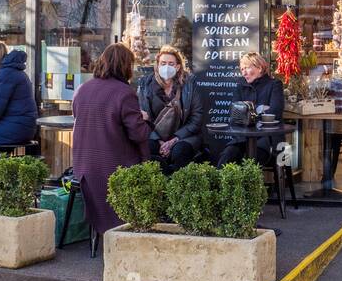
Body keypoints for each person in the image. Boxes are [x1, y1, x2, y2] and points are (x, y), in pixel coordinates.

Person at [72, 42, 151, 247]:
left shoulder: (83, 89)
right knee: (157, 167)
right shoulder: (124, 93)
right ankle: (139, 230)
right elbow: (138, 133)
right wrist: (145, 118)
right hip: (114, 167)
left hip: (84, 169)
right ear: (125, 66)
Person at [137, 44, 203, 174]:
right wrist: (160, 141)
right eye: (163, 63)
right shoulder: (145, 84)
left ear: (178, 67)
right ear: (157, 65)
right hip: (154, 136)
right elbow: (142, 118)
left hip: (184, 136)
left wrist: (174, 140)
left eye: (171, 63)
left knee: (180, 151)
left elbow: (197, 118)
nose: (166, 67)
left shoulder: (190, 84)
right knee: (148, 149)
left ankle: (178, 189)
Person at [210, 52, 284, 167]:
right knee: (226, 158)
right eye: (242, 69)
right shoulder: (240, 85)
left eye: (247, 68)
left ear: (259, 68)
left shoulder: (274, 84)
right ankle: (219, 186)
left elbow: (275, 113)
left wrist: (247, 113)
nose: (243, 72)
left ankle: (248, 185)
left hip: (267, 139)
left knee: (251, 162)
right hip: (242, 138)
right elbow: (234, 115)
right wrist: (260, 111)